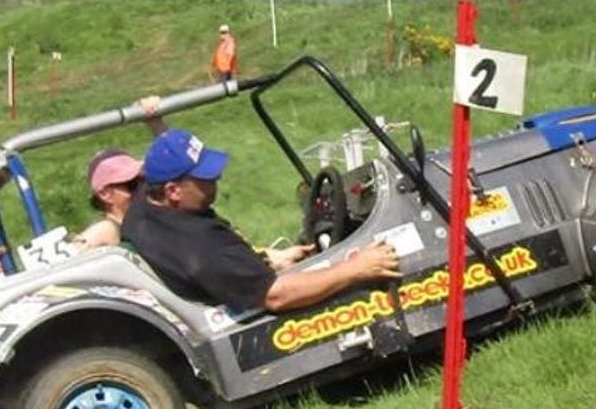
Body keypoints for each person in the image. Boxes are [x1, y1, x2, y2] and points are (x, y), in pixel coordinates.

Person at [122, 128, 402, 313]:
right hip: (253, 314)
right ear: (173, 191)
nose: (216, 179)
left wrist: (268, 259)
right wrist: (356, 268)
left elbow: (229, 270)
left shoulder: (144, 205)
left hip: (225, 286)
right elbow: (275, 296)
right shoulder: (200, 244)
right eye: (205, 178)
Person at [71, 97, 167, 251]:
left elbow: (178, 161)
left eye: (143, 180)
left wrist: (155, 122)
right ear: (105, 194)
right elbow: (66, 256)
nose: (143, 188)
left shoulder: (152, 213)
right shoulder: (106, 230)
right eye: (132, 184)